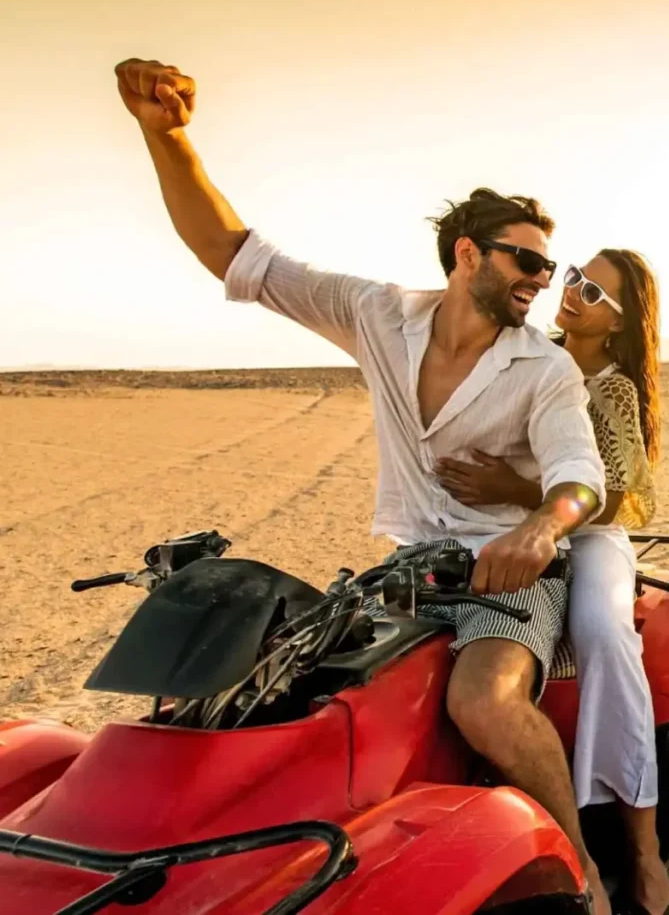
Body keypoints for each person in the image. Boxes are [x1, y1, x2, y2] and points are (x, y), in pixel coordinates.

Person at [114, 58, 620, 912]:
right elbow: (230, 252)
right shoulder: (377, 314)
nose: (542, 280)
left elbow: (581, 480)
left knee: (484, 703)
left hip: (510, 576)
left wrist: (537, 530)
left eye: (547, 267)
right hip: (405, 570)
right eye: (526, 262)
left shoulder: (544, 369)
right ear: (468, 255)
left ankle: (583, 874)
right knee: (273, 693)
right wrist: (166, 138)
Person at [437, 252, 669, 915]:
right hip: (510, 528)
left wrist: (518, 491)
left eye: (594, 291)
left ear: (619, 324)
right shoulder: (527, 357)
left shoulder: (612, 387)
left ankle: (642, 848)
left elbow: (628, 499)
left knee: (603, 633)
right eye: (574, 276)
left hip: (590, 534)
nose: (573, 292)